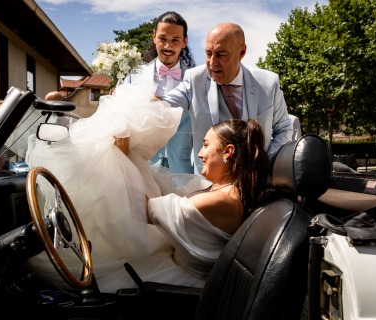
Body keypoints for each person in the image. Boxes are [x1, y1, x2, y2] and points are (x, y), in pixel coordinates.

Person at [25, 82, 268, 292]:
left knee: (89, 272)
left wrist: (120, 158)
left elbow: (144, 209)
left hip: (184, 285)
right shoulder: (227, 191)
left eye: (206, 145)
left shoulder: (220, 200)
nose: (201, 153)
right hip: (181, 267)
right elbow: (169, 195)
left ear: (228, 152)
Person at [163, 22, 293, 174]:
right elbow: (165, 103)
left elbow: (284, 128)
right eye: (208, 53)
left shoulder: (268, 83)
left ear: (242, 51)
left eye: (221, 54)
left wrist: (263, 164)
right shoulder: (194, 79)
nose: (212, 63)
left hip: (257, 185)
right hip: (208, 185)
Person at [125, 11, 195, 174]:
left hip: (183, 169)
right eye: (163, 38)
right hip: (143, 166)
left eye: (175, 40)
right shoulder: (133, 78)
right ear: (154, 36)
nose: (168, 46)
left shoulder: (196, 80)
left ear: (185, 41)